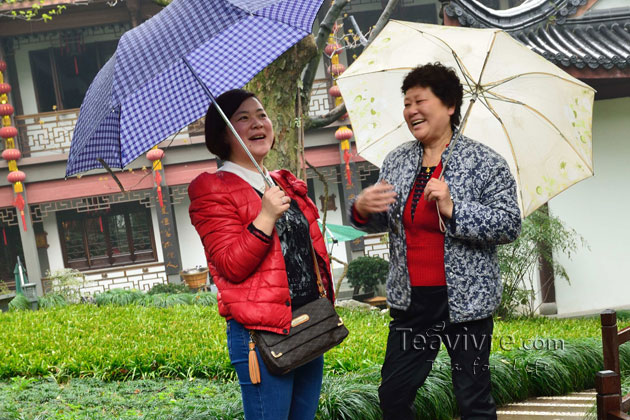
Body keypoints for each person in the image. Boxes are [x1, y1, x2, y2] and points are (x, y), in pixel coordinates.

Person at [349, 63, 521, 419]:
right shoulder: (396, 161)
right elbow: (387, 219)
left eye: (420, 101)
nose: (411, 110)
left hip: (465, 303)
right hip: (413, 303)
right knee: (393, 395)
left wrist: (453, 207)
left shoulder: (485, 163)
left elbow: (508, 224)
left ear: (449, 106)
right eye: (407, 102)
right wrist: (362, 209)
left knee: (473, 400)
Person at [188, 89, 334, 420]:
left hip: (308, 321)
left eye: (261, 115)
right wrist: (265, 217)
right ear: (222, 132)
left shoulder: (281, 182)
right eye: (243, 118)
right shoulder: (211, 189)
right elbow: (229, 266)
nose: (257, 123)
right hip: (262, 336)